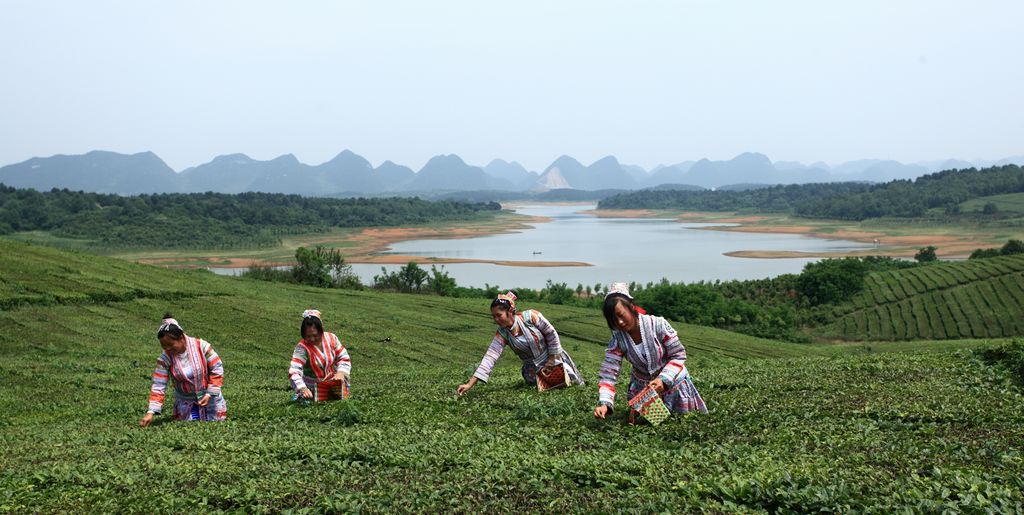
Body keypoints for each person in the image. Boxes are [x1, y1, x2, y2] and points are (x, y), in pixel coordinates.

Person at [593, 283, 707, 421]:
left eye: (621, 315)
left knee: (683, 424)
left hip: (675, 387)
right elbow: (608, 375)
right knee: (654, 431)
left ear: (631, 307)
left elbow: (678, 355)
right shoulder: (618, 340)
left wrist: (663, 379)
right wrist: (604, 403)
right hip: (645, 393)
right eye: (613, 320)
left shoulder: (658, 325)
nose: (620, 322)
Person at [457, 291, 584, 395]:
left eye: (499, 315)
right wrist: (470, 384)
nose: (496, 319)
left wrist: (551, 360)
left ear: (510, 312)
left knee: (568, 383)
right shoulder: (503, 333)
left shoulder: (531, 317)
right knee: (546, 390)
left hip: (553, 358)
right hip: (532, 370)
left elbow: (551, 334)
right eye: (493, 316)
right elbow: (490, 357)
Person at [139, 314, 227, 426]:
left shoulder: (202, 347)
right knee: (189, 428)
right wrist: (150, 412)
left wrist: (209, 393)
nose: (168, 349)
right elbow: (159, 385)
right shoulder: (164, 359)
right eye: (164, 346)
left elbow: (217, 367)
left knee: (214, 427)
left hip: (210, 399)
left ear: (181, 338)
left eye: (171, 345)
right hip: (185, 403)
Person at [289, 309, 351, 402]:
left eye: (315, 335)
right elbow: (294, 371)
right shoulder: (301, 348)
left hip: (334, 384)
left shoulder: (332, 338)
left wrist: (341, 373)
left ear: (321, 330)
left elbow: (343, 358)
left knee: (340, 402)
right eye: (308, 336)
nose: (312, 339)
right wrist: (302, 388)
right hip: (312, 389)